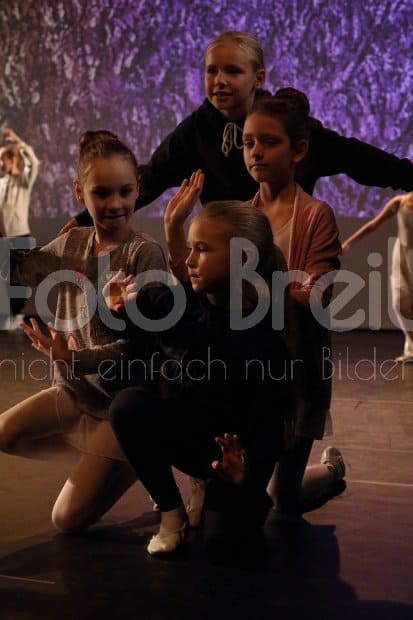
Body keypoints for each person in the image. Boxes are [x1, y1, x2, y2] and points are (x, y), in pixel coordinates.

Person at [60, 30, 413, 232]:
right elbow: (149, 179)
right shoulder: (195, 132)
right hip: (225, 257)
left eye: (232, 71)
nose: (220, 80)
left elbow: (358, 158)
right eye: (211, 71)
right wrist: (83, 221)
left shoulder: (289, 123)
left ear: (258, 78)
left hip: (286, 253)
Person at [107, 175, 293, 558]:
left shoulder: (262, 339)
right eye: (190, 248)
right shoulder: (185, 304)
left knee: (225, 546)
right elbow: (141, 314)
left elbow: (271, 424)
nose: (189, 260)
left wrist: (247, 471)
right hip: (190, 439)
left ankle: (320, 477)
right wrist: (116, 306)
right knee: (127, 406)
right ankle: (170, 512)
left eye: (202, 249)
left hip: (231, 457)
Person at [0, 130, 166, 533]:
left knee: (66, 519)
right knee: (4, 433)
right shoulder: (72, 243)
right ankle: (103, 463)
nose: (115, 204)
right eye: (101, 193)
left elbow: (141, 350)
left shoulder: (144, 254)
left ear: (138, 188)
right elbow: (17, 268)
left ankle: (141, 457)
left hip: (119, 409)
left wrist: (74, 358)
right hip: (76, 396)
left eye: (125, 192)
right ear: (79, 193)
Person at [243, 89, 345, 514]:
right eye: (249, 142)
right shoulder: (240, 216)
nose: (256, 152)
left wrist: (252, 292)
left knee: (282, 498)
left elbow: (317, 293)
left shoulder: (316, 215)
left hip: (296, 371)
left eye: (269, 142)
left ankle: (331, 471)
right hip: (249, 371)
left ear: (298, 150)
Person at [341, 192, 413, 363]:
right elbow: (374, 224)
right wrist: (348, 243)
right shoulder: (400, 202)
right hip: (402, 257)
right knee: (399, 303)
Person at [0, 127, 39, 328]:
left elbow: (34, 162)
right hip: (5, 238)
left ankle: (17, 315)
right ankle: (10, 315)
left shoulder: (23, 181)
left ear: (12, 159)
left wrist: (18, 142)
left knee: (19, 279)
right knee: (6, 279)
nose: (1, 163)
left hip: (21, 236)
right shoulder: (3, 183)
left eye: (3, 159)